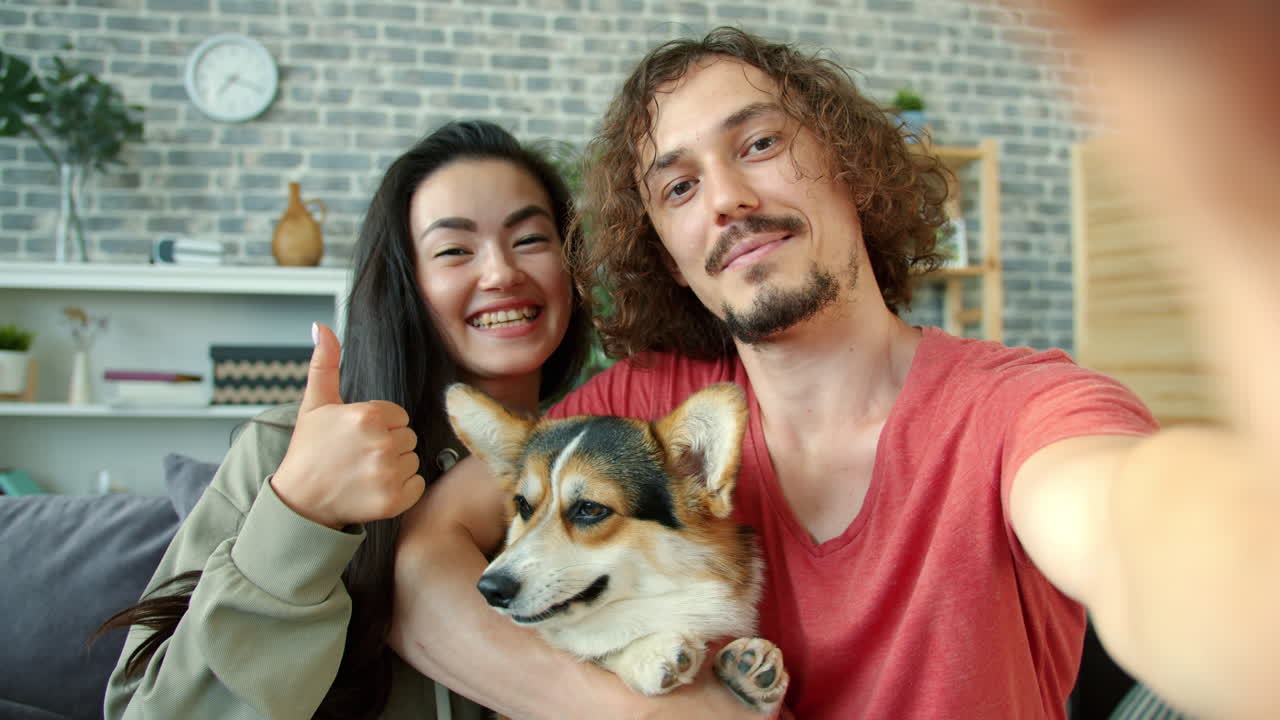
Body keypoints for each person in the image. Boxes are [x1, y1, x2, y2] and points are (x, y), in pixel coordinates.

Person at [391, 24, 1279, 720]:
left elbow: (1134, 533)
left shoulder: (1021, 410)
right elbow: (423, 566)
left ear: (850, 166)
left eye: (761, 143)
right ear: (666, 251)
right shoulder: (638, 415)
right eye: (679, 187)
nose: (728, 199)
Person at [98, 119, 592, 720]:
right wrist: (303, 515)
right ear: (406, 285)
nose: (500, 273)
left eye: (531, 239)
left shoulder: (604, 464)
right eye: (454, 250)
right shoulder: (285, 450)